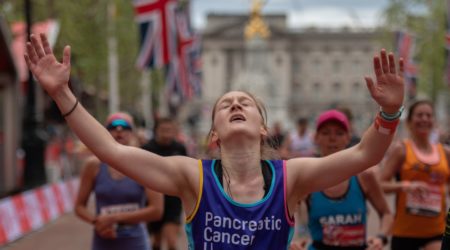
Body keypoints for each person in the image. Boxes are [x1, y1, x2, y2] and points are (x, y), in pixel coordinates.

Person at [25, 33, 404, 249]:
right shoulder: (192, 178)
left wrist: (389, 113)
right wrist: (61, 94)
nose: (236, 104)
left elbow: (366, 152)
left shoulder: (291, 177)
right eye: (226, 104)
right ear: (213, 135)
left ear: (262, 128)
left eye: (245, 103)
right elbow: (110, 149)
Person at [290, 110, 393, 250]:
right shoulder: (306, 177)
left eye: (339, 133)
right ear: (316, 138)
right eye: (325, 133)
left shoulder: (364, 176)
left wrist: (380, 238)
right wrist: (293, 242)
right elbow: (280, 215)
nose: (332, 138)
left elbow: (386, 213)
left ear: (348, 138)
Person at [74, 112, 164, 250]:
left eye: (125, 128)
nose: (119, 131)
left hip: (135, 241)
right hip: (103, 239)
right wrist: (98, 222)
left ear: (132, 133)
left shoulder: (144, 164)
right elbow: (79, 207)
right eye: (112, 127)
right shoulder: (93, 165)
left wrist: (115, 218)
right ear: (105, 132)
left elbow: (157, 210)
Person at [379, 100, 450, 250]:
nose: (424, 119)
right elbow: (381, 185)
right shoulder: (401, 150)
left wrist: (442, 191)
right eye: (419, 115)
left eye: (428, 115)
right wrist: (407, 186)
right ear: (410, 122)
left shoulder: (445, 153)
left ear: (434, 121)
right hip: (405, 232)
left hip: (437, 230)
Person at [142, 117, 188, 250]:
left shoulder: (180, 148)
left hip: (173, 200)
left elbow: (186, 171)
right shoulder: (147, 148)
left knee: (172, 243)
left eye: (170, 130)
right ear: (156, 131)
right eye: (163, 130)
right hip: (153, 201)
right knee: (156, 242)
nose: (166, 133)